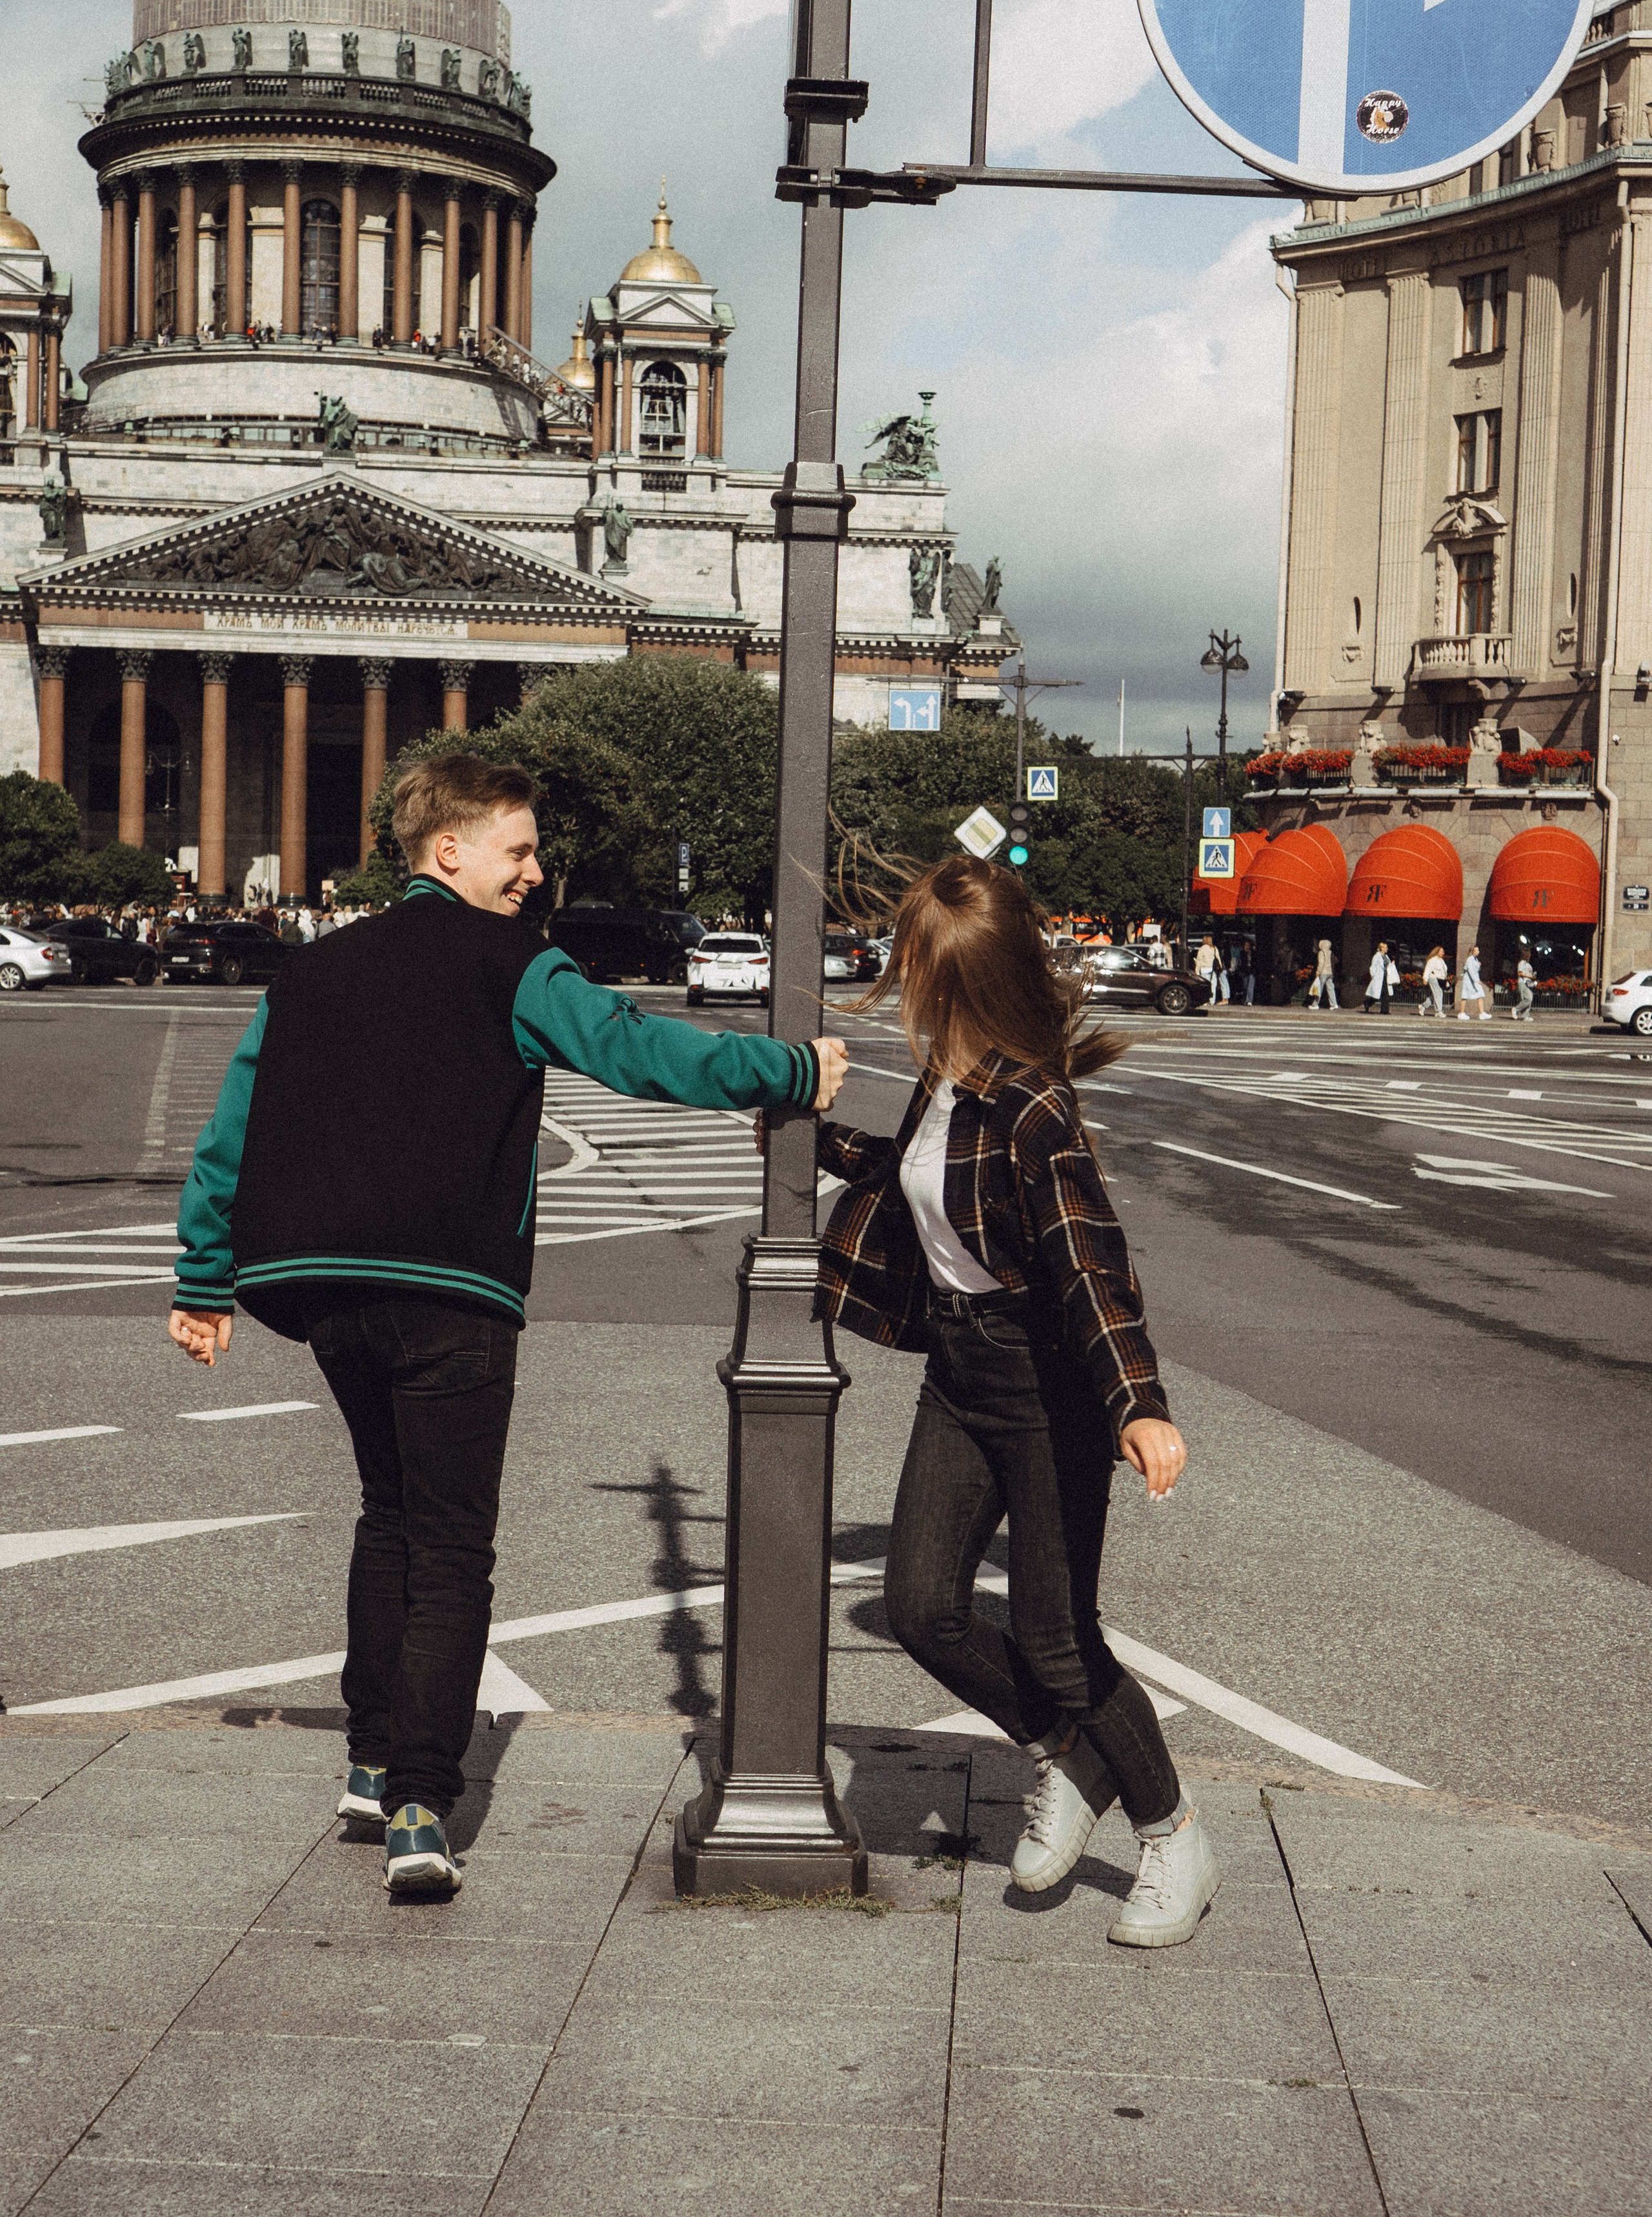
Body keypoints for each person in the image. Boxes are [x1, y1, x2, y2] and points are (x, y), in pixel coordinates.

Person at [167, 753, 845, 1899]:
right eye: (518, 851)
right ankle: (425, 1804)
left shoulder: (314, 970)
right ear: (451, 852)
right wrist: (782, 1068)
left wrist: (203, 1279)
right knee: (449, 1546)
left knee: (388, 1516)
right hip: (452, 1290)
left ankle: (373, 1757)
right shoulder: (518, 967)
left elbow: (233, 1126)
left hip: (327, 1290)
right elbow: (634, 1049)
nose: (534, 875)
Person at [810, 856, 1220, 1947]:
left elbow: (1089, 1266)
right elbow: (913, 1181)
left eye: (922, 977)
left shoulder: (1031, 1104)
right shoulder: (948, 1081)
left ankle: (1173, 1833)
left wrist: (1138, 1403)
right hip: (960, 1371)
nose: (904, 992)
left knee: (1055, 1636)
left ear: (965, 986)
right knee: (921, 1607)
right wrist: (808, 1141)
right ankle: (1069, 1754)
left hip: (1047, 1386)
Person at [1364, 941, 1398, 1017]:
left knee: (1386, 994)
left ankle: (1385, 1010)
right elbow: (1373, 967)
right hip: (1379, 978)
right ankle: (1368, 1003)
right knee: (1376, 995)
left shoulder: (1386, 957)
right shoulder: (1377, 957)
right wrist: (1373, 976)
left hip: (1386, 978)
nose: (1387, 949)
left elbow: (1387, 966)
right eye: (1386, 947)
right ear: (1382, 948)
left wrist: (1392, 964)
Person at [1458, 946, 1489, 1021]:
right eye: (1477, 950)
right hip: (1469, 981)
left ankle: (1482, 1013)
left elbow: (1475, 969)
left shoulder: (1475, 959)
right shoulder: (1470, 959)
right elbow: (1471, 971)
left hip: (1474, 980)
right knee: (1465, 995)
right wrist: (1476, 980)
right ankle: (1461, 1013)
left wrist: (1478, 965)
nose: (1479, 952)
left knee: (1480, 994)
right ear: (1473, 951)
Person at [1309, 935, 1339, 1010]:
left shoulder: (1321, 953)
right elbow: (1336, 961)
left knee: (1319, 988)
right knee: (1331, 988)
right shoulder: (1331, 952)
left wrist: (1318, 972)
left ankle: (1315, 1004)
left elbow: (1321, 963)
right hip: (1330, 972)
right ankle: (1334, 1004)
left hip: (1323, 972)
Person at [1419, 945, 1450, 1019]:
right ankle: (1439, 1011)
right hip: (1433, 978)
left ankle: (1423, 1006)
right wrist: (1425, 979)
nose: (1443, 953)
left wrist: (1446, 981)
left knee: (1434, 996)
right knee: (1439, 993)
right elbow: (1428, 969)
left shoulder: (1441, 961)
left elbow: (1444, 972)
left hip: (1440, 979)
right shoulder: (1433, 960)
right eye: (1442, 951)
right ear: (1437, 952)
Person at [1511, 948, 1536, 1021]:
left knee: (1529, 998)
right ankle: (1516, 1009)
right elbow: (1520, 973)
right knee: (1528, 998)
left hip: (1528, 983)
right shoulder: (1522, 963)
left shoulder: (1527, 964)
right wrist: (1530, 976)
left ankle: (1525, 1016)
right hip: (1523, 982)